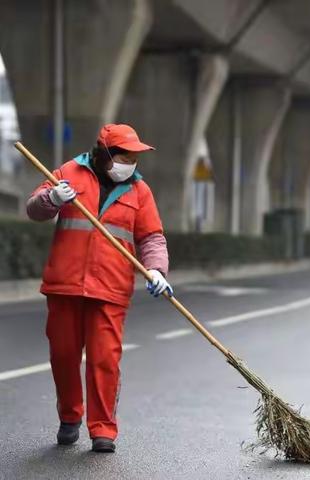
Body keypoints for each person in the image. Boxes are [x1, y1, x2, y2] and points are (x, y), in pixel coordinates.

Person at [26, 123, 172, 453]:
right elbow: (34, 209)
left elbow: (151, 237)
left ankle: (103, 428)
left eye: (135, 157)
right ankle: (69, 416)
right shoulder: (69, 173)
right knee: (63, 356)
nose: (131, 162)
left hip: (110, 288)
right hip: (65, 285)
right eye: (125, 155)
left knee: (104, 359)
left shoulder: (140, 191)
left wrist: (156, 269)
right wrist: (51, 198)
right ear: (105, 154)